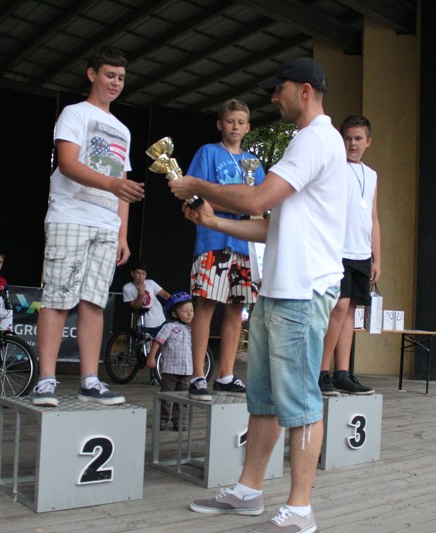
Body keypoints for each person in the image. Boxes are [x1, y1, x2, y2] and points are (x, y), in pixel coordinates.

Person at [169, 57, 346, 533]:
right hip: (280, 290)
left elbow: (256, 199)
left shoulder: (315, 140)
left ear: (304, 90)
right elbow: (270, 226)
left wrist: (196, 185)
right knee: (263, 400)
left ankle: (300, 510)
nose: (272, 97)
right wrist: (214, 221)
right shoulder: (306, 142)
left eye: (278, 88)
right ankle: (248, 491)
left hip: (302, 293)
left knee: (301, 402)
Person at [31, 46, 145, 408]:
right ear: (92, 74)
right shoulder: (74, 113)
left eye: (121, 78)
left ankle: (90, 380)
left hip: (106, 225)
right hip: (71, 216)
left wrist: (123, 233)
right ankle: (45, 380)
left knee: (94, 303)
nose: (116, 83)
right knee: (58, 297)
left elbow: (123, 185)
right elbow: (66, 163)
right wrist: (111, 184)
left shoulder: (123, 130)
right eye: (110, 75)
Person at [184, 98, 266, 401]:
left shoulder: (254, 163)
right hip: (213, 241)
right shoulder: (208, 152)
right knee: (206, 304)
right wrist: (236, 206)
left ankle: (226, 375)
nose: (235, 127)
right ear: (220, 123)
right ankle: (197, 375)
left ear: (248, 127)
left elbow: (261, 203)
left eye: (240, 122)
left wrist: (244, 208)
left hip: (245, 244)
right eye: (230, 121)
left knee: (236, 308)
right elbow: (194, 193)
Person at [319, 115, 380, 397]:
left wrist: (377, 258)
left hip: (361, 253)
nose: (352, 144)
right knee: (339, 306)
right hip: (337, 250)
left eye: (358, 138)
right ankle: (321, 372)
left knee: (351, 310)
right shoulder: (334, 169)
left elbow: (373, 217)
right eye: (347, 138)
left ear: (368, 142)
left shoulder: (372, 175)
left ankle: (342, 373)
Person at [146, 291, 194, 431]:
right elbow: (158, 341)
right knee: (166, 396)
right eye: (185, 311)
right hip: (170, 370)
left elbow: (196, 348)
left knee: (183, 398)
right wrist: (151, 357)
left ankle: (178, 420)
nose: (189, 314)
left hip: (187, 371)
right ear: (174, 313)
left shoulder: (191, 329)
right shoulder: (169, 327)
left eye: (191, 310)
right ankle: (162, 419)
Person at [122, 260, 170, 337]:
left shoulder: (150, 283)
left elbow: (165, 295)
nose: (141, 276)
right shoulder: (127, 288)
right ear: (132, 273)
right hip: (144, 321)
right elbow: (135, 307)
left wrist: (175, 303)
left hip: (159, 318)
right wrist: (141, 294)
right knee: (146, 343)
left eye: (143, 274)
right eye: (138, 273)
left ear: (146, 275)